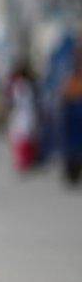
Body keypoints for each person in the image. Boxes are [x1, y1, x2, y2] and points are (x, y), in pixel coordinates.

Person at [8, 62, 41, 173]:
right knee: (23, 137)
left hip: (24, 114)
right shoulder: (24, 84)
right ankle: (24, 161)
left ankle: (25, 161)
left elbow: (18, 102)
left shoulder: (21, 85)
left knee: (24, 137)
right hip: (24, 114)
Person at [60, 43, 82, 185]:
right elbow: (64, 93)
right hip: (72, 110)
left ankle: (74, 171)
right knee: (72, 144)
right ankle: (72, 172)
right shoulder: (69, 74)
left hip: (75, 109)